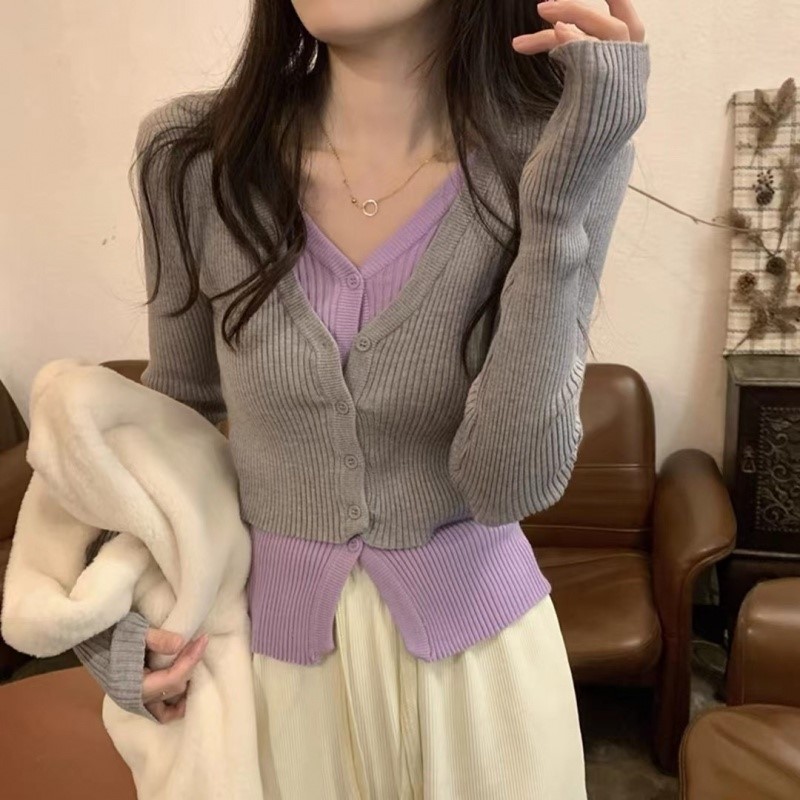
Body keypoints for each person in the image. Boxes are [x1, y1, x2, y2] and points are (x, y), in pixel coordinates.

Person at [74, 0, 649, 796]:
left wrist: (556, 213)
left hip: (482, 682)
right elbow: (168, 423)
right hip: (270, 676)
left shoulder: (556, 152)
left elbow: (508, 485)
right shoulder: (193, 156)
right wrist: (104, 618)